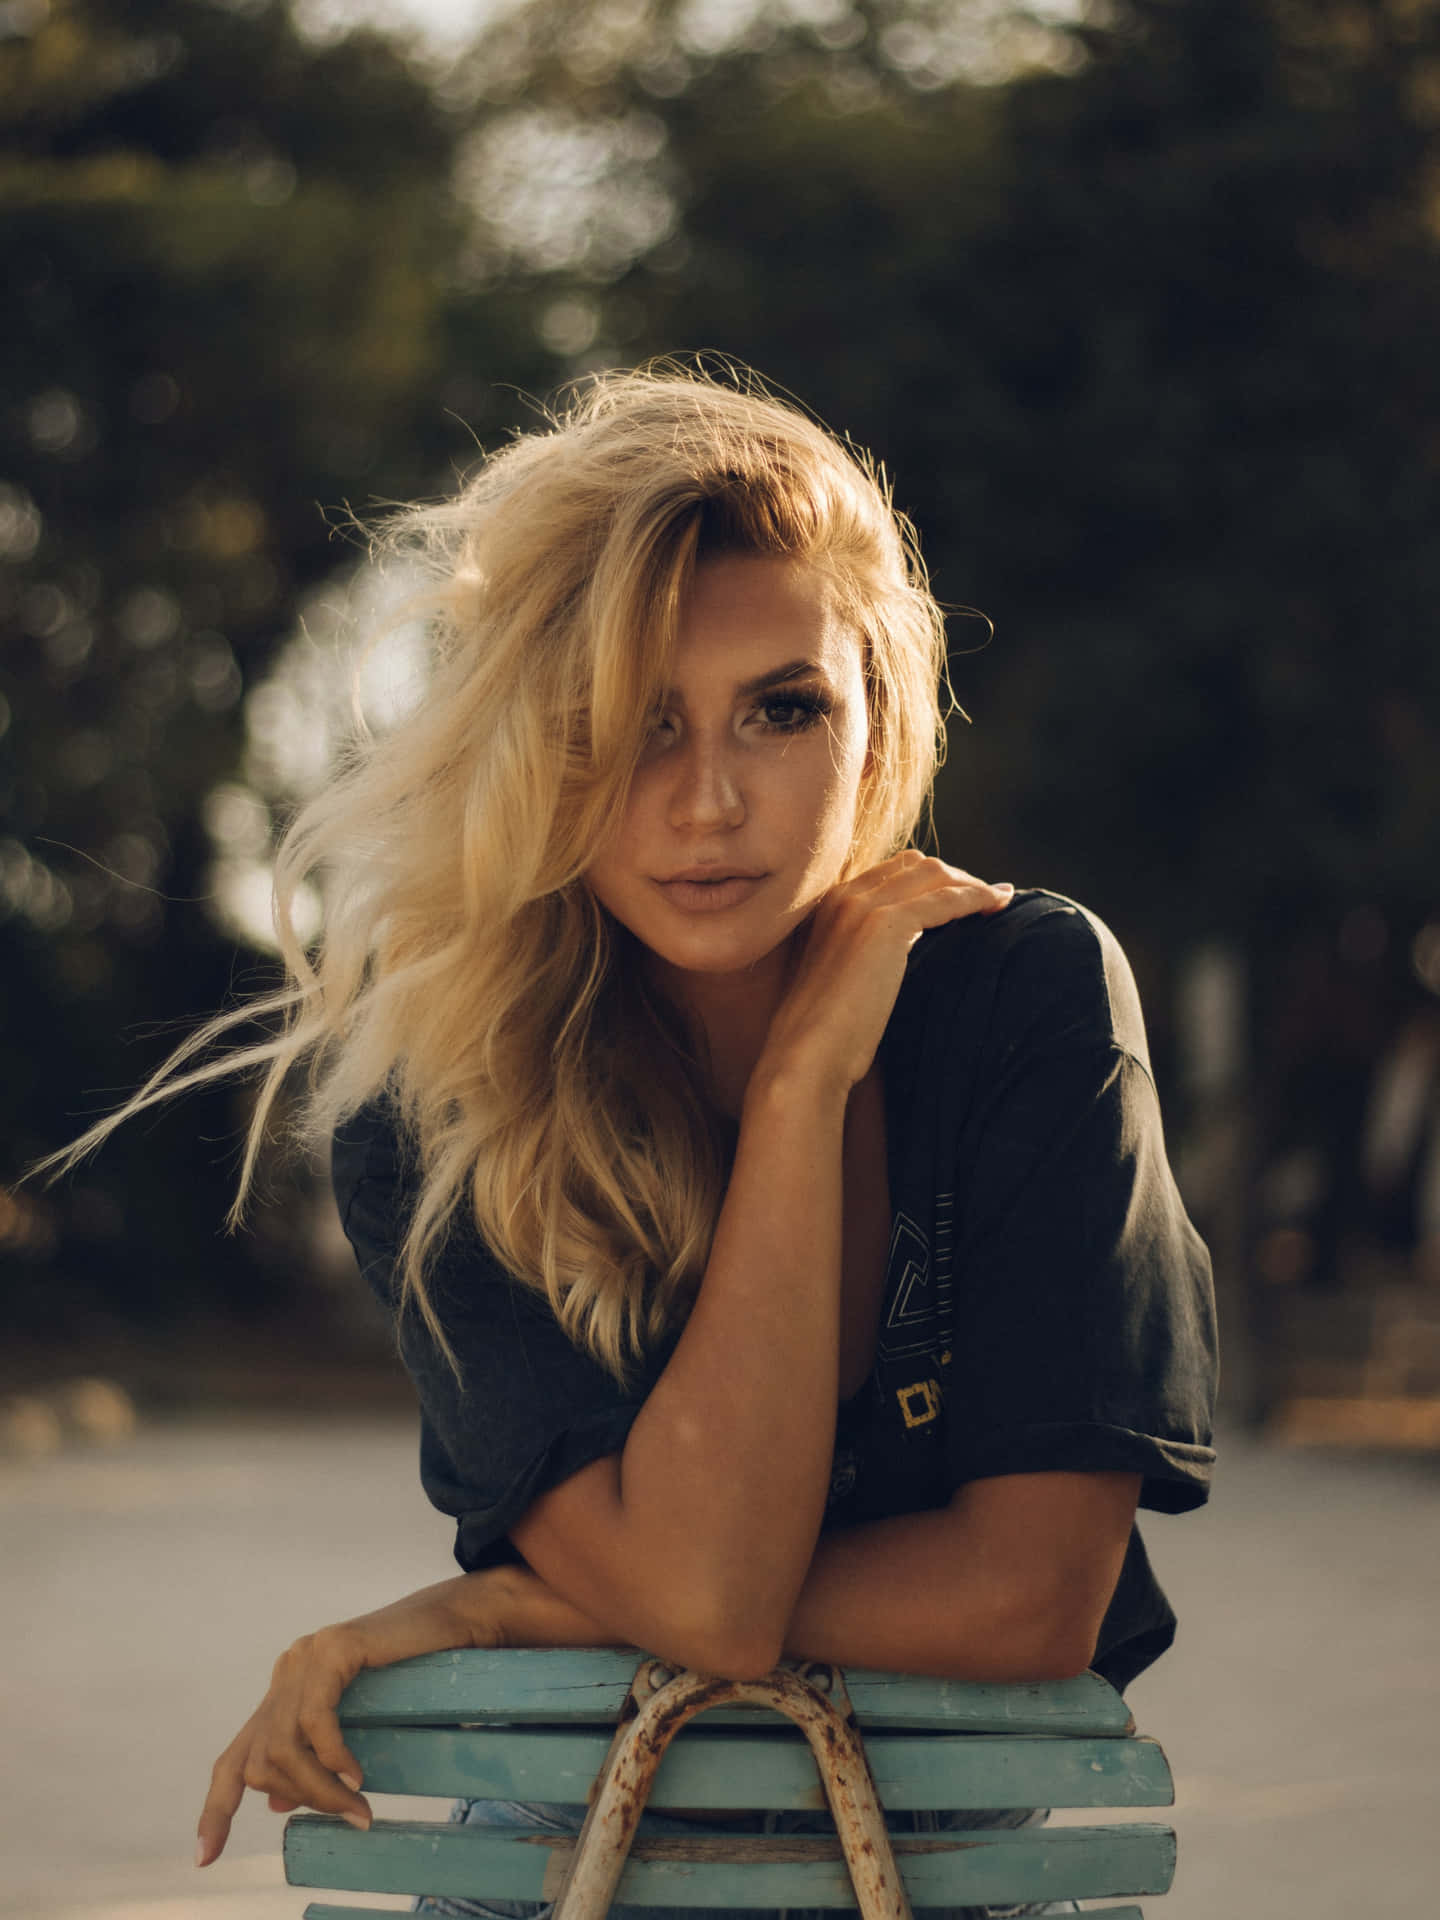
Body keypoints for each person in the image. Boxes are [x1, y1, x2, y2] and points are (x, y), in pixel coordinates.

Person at [52, 363, 1218, 1918]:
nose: (711, 801)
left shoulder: (1025, 994)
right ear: (539, 746)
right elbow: (714, 1608)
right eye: (631, 724)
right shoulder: (441, 1093)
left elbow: (1025, 1600)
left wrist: (517, 1605)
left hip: (961, 1867)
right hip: (555, 1856)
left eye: (782, 709)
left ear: (876, 723)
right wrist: (806, 1089)